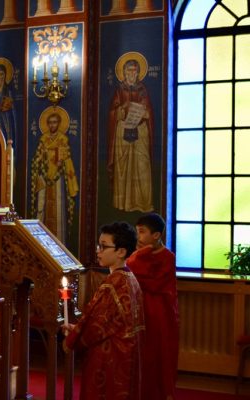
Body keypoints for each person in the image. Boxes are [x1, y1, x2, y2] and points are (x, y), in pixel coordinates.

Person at [63, 221, 145, 400]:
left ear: (121, 252)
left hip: (109, 357)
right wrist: (78, 329)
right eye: (98, 245)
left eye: (103, 246)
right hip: (127, 355)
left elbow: (95, 325)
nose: (98, 251)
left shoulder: (112, 284)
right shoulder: (131, 279)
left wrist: (73, 336)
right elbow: (107, 323)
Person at [127, 213, 178, 400]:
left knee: (159, 355)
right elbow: (129, 272)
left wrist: (139, 256)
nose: (138, 236)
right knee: (142, 355)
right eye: (137, 232)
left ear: (156, 235)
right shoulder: (138, 254)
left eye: (142, 232)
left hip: (160, 314)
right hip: (140, 310)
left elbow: (154, 284)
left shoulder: (167, 257)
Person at [107, 54, 154, 213]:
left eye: (134, 71)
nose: (131, 74)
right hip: (123, 131)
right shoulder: (119, 90)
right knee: (123, 167)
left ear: (138, 72)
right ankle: (123, 204)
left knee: (142, 165)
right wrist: (121, 109)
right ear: (124, 73)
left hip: (140, 131)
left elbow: (148, 111)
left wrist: (144, 112)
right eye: (128, 71)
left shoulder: (142, 90)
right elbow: (113, 112)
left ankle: (142, 203)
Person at [30, 109, 79, 242]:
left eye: (55, 122)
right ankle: (40, 240)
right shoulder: (43, 139)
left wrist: (61, 161)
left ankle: (59, 239)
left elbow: (66, 157)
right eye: (50, 122)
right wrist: (40, 161)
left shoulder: (63, 139)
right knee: (42, 206)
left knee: (58, 206)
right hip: (44, 178)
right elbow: (37, 158)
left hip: (58, 179)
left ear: (59, 123)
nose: (52, 125)